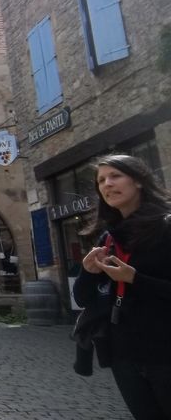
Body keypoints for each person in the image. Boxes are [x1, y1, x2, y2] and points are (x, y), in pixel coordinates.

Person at [73, 154, 171, 419]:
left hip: (165, 350)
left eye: (115, 176)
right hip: (125, 355)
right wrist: (88, 273)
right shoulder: (109, 237)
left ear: (138, 181)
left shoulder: (165, 226)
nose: (107, 184)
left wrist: (135, 279)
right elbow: (82, 299)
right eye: (101, 180)